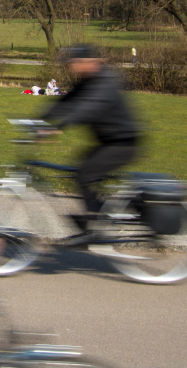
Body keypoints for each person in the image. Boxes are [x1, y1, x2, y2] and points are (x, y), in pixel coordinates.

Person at [39, 45, 139, 245]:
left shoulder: (105, 82)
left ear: (89, 63)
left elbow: (88, 109)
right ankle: (99, 218)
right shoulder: (88, 82)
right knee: (81, 171)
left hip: (123, 144)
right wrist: (39, 121)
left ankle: (95, 226)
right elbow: (66, 102)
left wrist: (60, 127)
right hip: (109, 142)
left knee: (85, 173)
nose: (72, 68)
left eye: (75, 64)